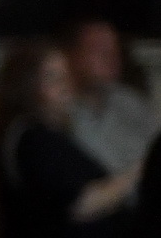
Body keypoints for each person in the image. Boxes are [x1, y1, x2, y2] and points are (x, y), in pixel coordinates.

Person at [0, 35, 160, 238]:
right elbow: (80, 203)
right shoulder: (31, 138)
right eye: (54, 78)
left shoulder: (47, 134)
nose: (66, 86)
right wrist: (145, 170)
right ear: (28, 86)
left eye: (65, 76)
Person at [66, 18, 157, 177]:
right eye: (100, 50)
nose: (112, 57)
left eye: (115, 49)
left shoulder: (127, 100)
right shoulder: (63, 114)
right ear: (75, 56)